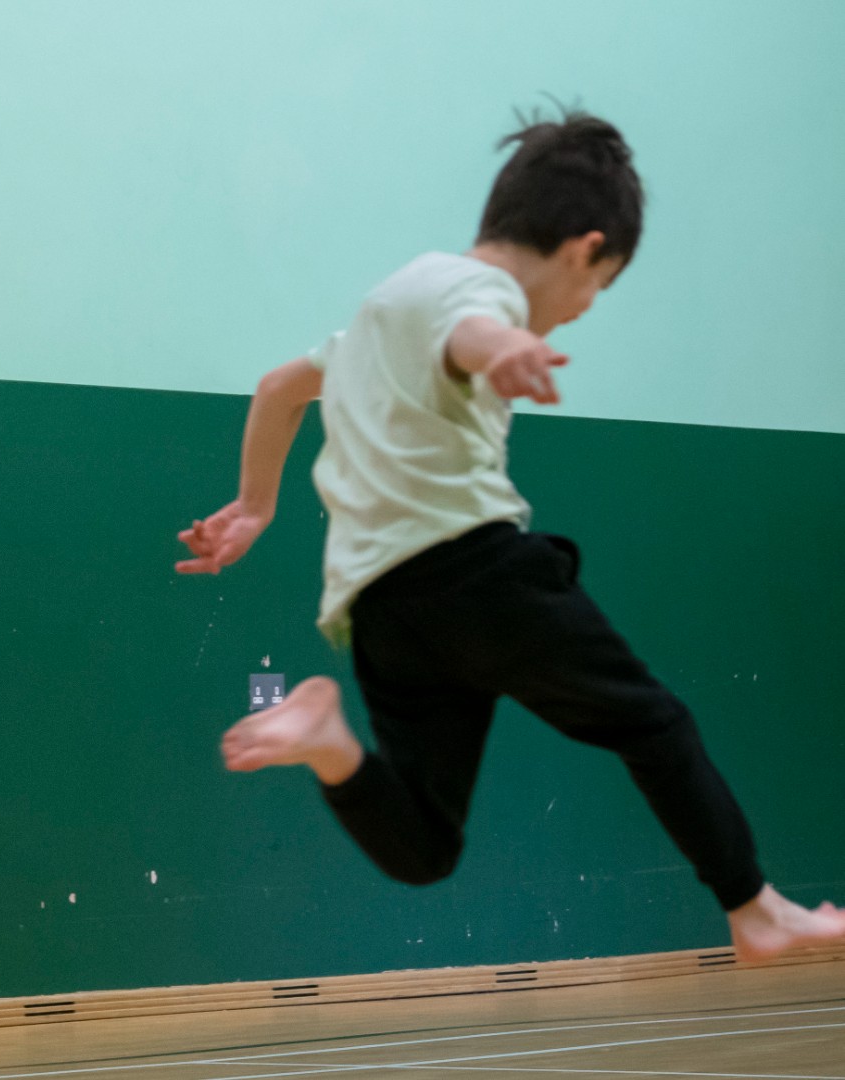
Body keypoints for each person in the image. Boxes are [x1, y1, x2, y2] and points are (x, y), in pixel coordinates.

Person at [176, 109, 845, 964]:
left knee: (424, 847)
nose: (577, 312)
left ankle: (331, 744)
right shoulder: (476, 293)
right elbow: (476, 327)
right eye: (595, 287)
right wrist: (503, 353)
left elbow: (278, 387)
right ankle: (756, 910)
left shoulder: (381, 312)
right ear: (582, 249)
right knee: (656, 727)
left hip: (378, 608)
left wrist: (255, 504)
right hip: (476, 574)